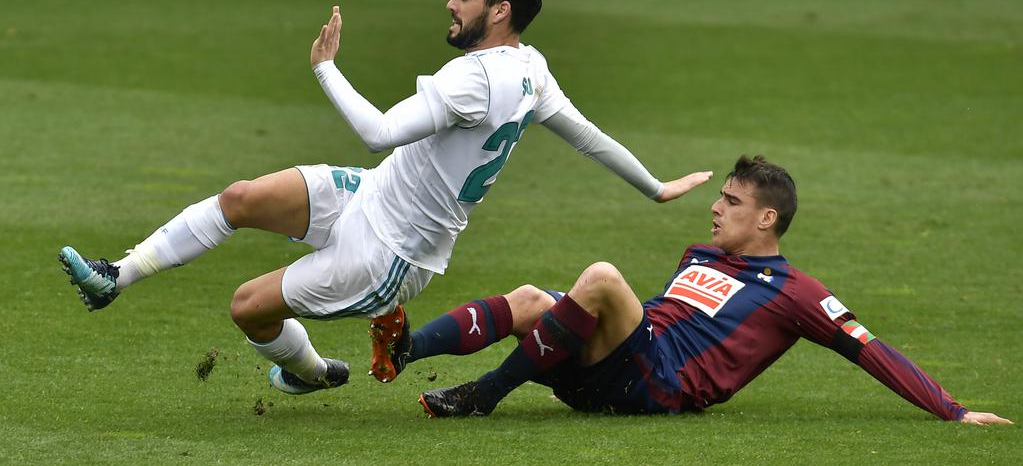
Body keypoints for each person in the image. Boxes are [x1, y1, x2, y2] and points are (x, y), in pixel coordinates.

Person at [58, 0, 712, 396]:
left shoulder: (471, 81)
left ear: (499, 11)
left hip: (393, 255)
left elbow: (375, 133)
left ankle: (310, 372)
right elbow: (589, 138)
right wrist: (654, 187)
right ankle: (117, 275)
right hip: (369, 197)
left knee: (247, 307)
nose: (449, 3)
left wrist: (325, 68)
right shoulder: (530, 70)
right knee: (241, 197)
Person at [398, 155, 1011, 425]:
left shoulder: (796, 292)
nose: (715, 207)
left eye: (732, 201)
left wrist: (951, 408)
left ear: (767, 219)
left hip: (659, 386)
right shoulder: (704, 254)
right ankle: (403, 350)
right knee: (535, 298)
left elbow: (868, 346)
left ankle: (483, 395)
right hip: (617, 371)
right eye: (721, 195)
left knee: (604, 278)